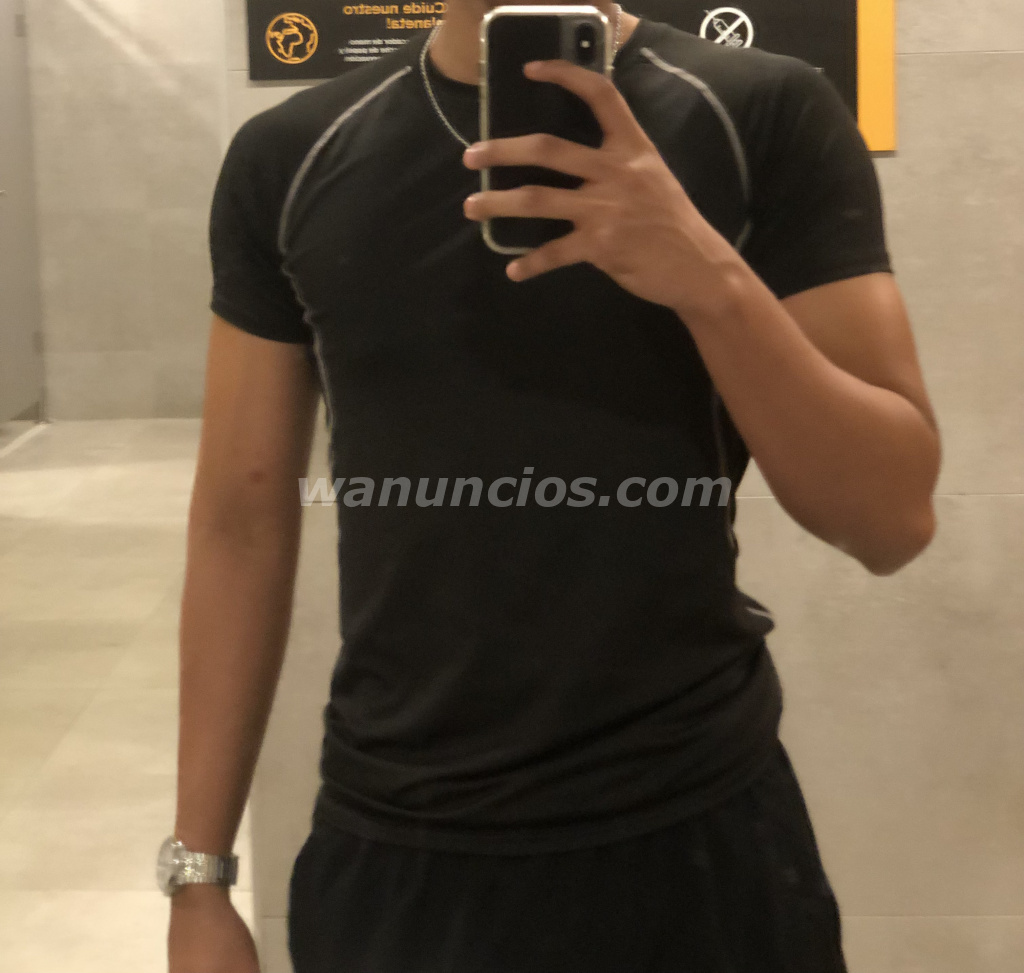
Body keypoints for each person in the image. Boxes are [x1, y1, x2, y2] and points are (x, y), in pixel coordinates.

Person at [165, 1, 941, 971]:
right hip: (399, 841)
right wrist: (198, 876)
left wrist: (708, 277)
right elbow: (238, 523)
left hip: (696, 829)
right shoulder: (290, 154)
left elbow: (890, 519)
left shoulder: (760, 111)